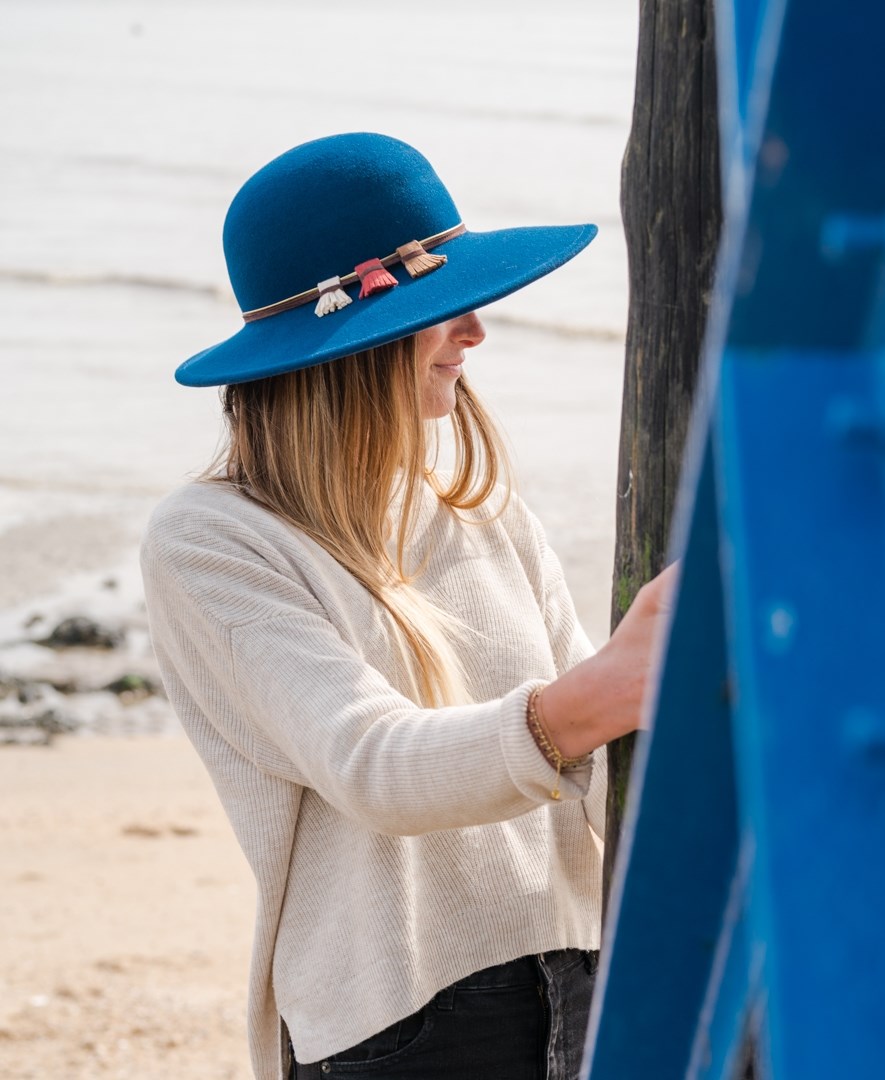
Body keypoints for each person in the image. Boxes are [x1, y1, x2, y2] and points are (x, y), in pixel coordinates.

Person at [140, 132, 674, 1080]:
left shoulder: (484, 512)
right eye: (445, 308)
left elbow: (597, 766)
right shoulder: (211, 541)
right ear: (355, 342)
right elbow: (373, 767)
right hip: (400, 1031)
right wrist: (609, 689)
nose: (476, 334)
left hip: (587, 973)